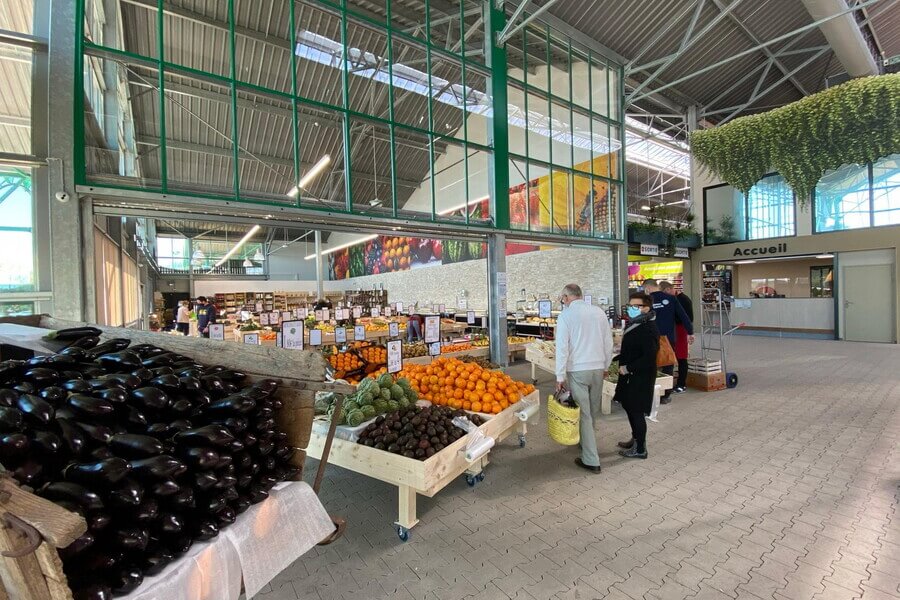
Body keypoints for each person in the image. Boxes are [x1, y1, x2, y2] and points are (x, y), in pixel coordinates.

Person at [555, 283, 614, 473]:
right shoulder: (598, 312)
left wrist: (559, 375)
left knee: (584, 414)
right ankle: (585, 444)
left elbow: (562, 348)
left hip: (578, 370)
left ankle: (591, 459)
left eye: (562, 298)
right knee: (592, 411)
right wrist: (605, 365)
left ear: (566, 297)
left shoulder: (566, 316)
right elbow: (608, 342)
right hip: (597, 367)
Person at [614, 292, 659, 459]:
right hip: (630, 374)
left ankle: (640, 448)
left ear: (646, 308)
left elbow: (649, 356)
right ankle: (635, 438)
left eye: (636, 306)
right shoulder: (637, 323)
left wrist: (628, 368)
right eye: (630, 305)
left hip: (640, 376)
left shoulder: (648, 328)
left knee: (636, 410)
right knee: (629, 407)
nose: (631, 309)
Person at [641, 279, 693, 404]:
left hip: (651, 338)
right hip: (669, 338)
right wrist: (690, 332)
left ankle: (651, 393)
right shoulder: (671, 298)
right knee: (668, 365)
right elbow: (683, 316)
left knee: (651, 365)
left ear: (647, 288)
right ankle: (665, 395)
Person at [661, 281, 694, 393]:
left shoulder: (684, 299)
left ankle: (681, 384)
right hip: (671, 331)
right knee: (669, 356)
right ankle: (667, 384)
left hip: (681, 331)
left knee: (681, 358)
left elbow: (689, 318)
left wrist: (690, 333)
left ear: (668, 290)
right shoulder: (670, 300)